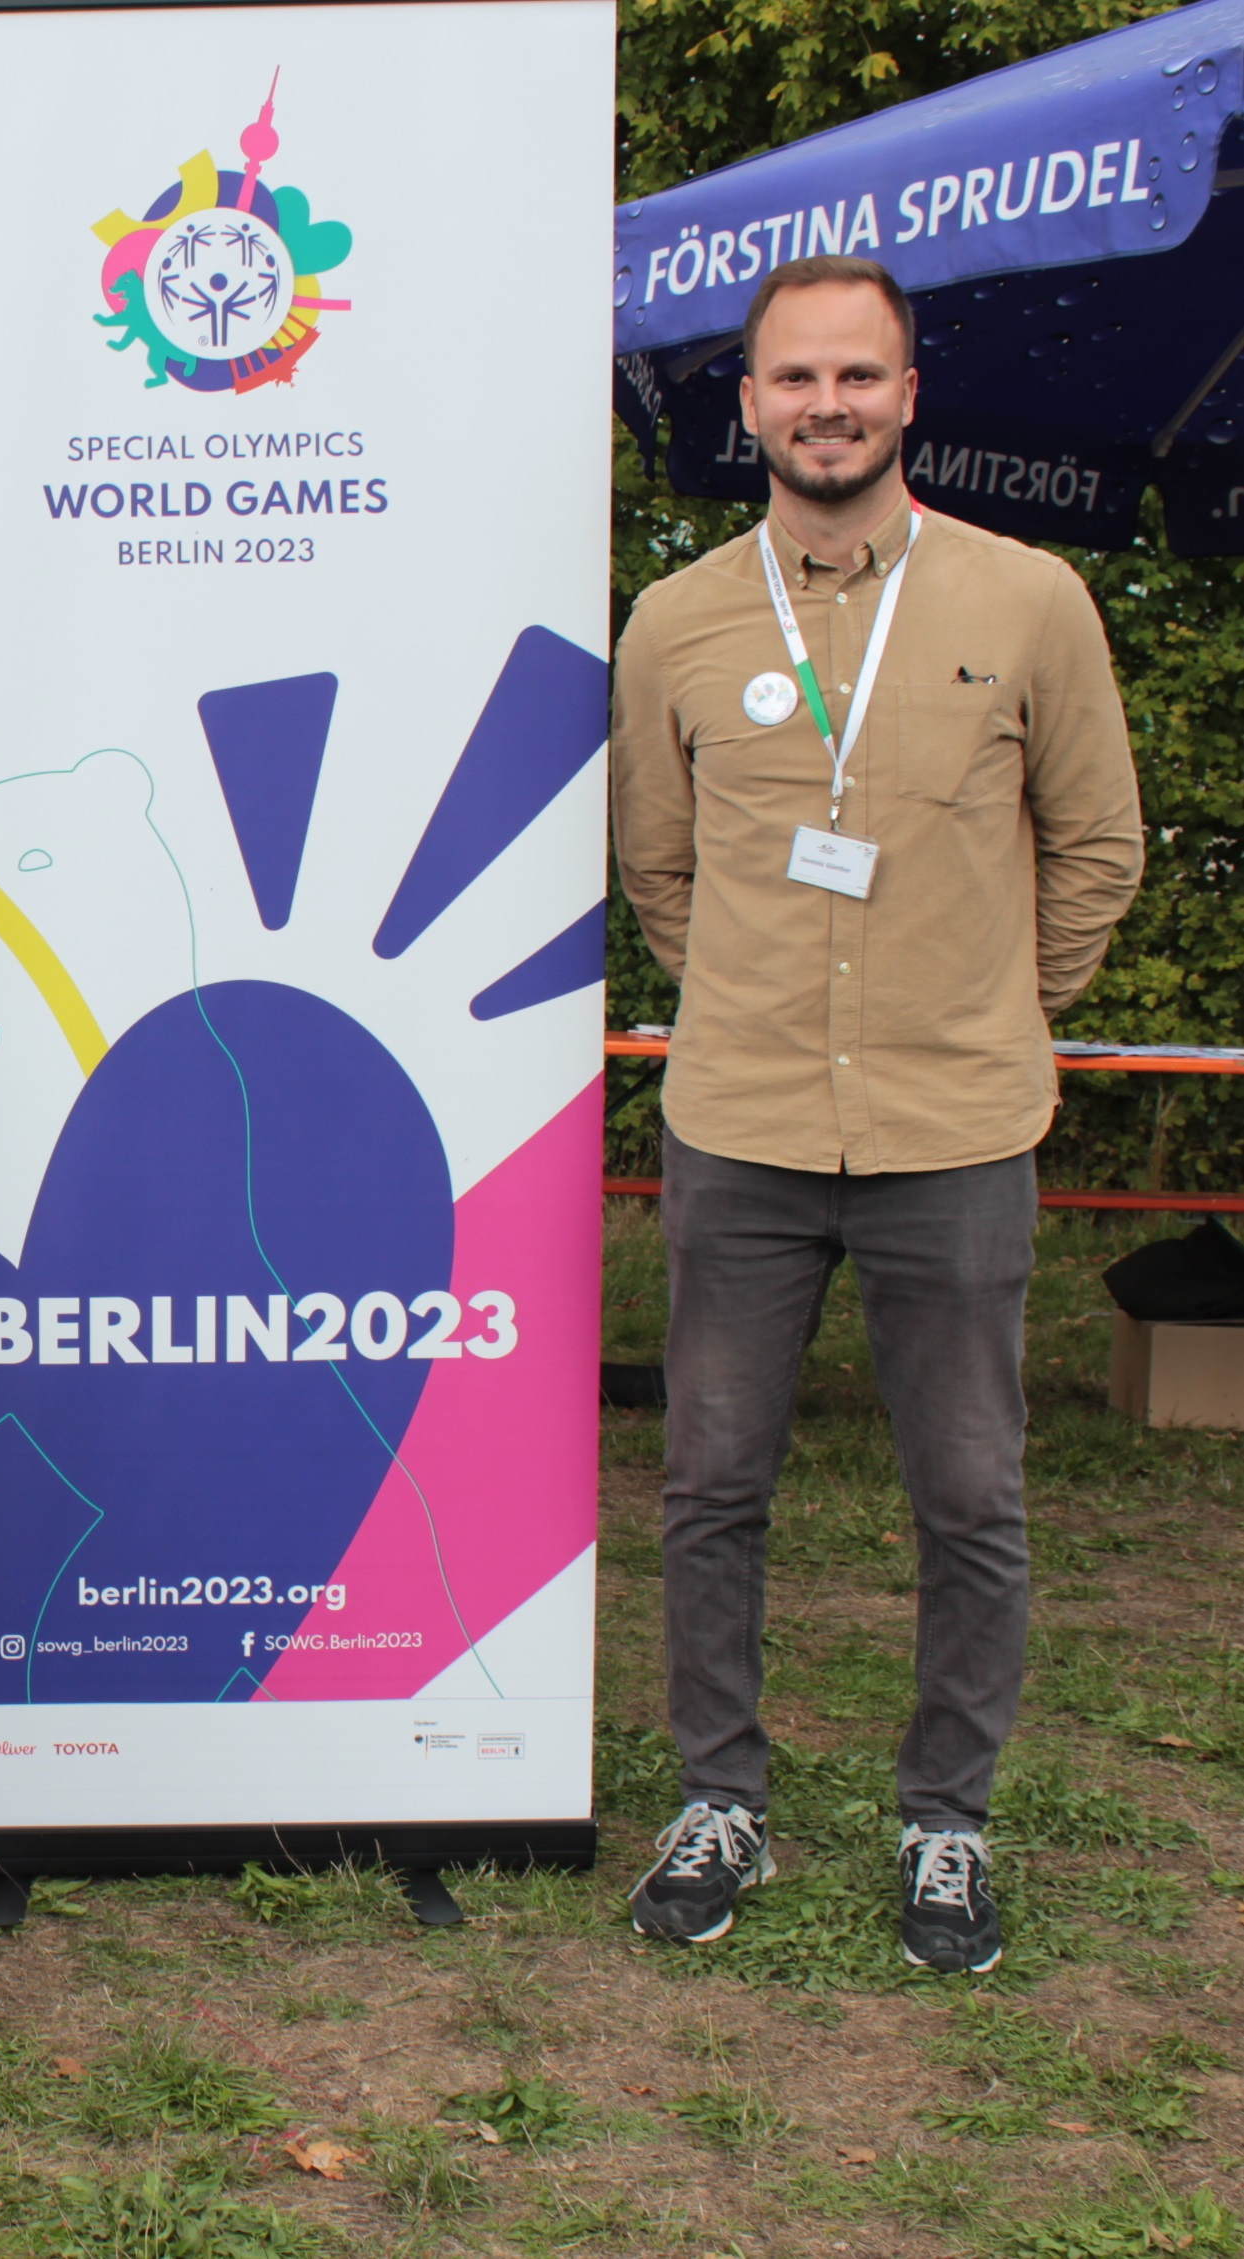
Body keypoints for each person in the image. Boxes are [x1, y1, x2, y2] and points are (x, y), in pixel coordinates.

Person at [610, 255, 1144, 1974]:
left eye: (856, 375)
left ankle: (946, 1818)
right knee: (710, 1482)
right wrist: (756, 1000)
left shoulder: (1028, 599)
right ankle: (720, 1796)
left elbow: (1097, 844)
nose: (824, 405)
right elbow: (657, 865)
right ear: (748, 404)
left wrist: (990, 1005)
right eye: (792, 377)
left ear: (908, 394)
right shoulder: (677, 620)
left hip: (955, 1131)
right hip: (742, 1124)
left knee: (970, 1494)